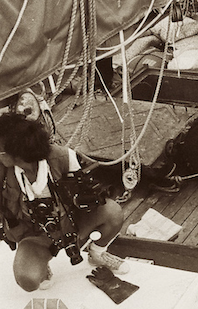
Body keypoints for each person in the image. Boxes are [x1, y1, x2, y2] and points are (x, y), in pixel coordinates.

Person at [0, 113, 128, 292]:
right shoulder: (4, 171)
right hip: (34, 234)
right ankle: (42, 263)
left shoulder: (63, 157)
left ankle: (97, 253)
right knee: (27, 280)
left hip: (71, 224)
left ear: (17, 152)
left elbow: (86, 194)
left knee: (112, 212)